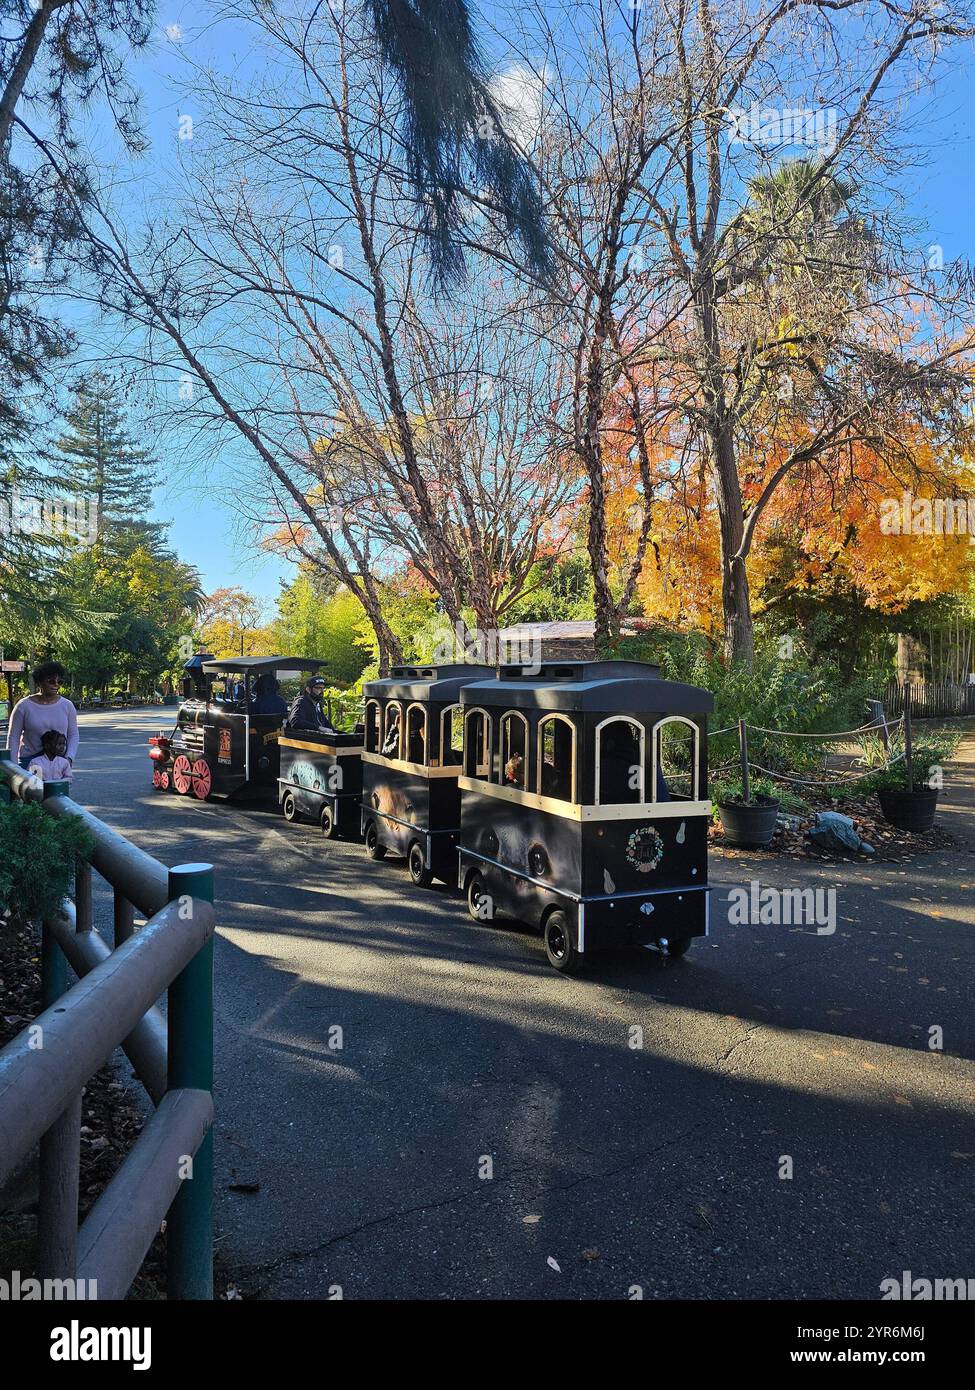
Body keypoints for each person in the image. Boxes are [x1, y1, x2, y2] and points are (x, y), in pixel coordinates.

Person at [7, 661, 79, 771]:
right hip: (29, 762)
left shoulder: (67, 706)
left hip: (58, 761)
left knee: (56, 789)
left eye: (59, 682)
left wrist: (69, 758)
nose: (56, 685)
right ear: (39, 682)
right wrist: (13, 766)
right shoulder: (23, 706)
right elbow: (13, 737)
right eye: (51, 681)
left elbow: (73, 735)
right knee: (33, 789)